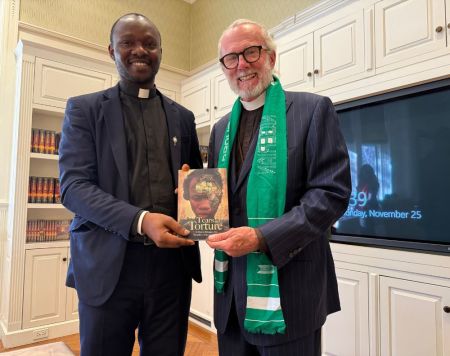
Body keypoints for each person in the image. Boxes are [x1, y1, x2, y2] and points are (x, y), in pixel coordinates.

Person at [59, 13, 202, 356]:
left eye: (149, 44)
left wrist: (192, 194)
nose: (140, 50)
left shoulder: (183, 117)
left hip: (172, 271)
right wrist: (141, 220)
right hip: (108, 270)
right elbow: (73, 187)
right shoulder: (84, 110)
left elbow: (197, 184)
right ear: (112, 50)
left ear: (160, 53)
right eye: (128, 43)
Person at [206, 19, 351, 355]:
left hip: (290, 296)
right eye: (231, 58)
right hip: (229, 300)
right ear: (224, 68)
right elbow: (220, 201)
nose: (241, 65)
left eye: (251, 52)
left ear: (270, 57)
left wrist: (261, 238)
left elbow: (331, 194)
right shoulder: (220, 129)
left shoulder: (312, 110)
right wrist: (195, 201)